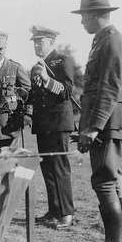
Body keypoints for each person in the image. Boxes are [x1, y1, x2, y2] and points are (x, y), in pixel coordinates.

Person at [71, 0, 122, 242]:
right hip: (107, 121)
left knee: (105, 180)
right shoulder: (103, 39)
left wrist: (94, 127)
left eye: (84, 15)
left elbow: (109, 87)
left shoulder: (111, 41)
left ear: (96, 14)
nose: (81, 20)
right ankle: (119, 241)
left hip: (108, 123)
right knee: (113, 179)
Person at [27, 25, 75, 230]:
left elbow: (67, 91)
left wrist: (47, 79)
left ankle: (66, 213)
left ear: (51, 42)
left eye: (41, 41)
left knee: (60, 167)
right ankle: (54, 210)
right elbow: (36, 95)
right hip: (43, 124)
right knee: (47, 168)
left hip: (58, 123)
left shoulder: (62, 60)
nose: (37, 45)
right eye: (35, 41)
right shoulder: (36, 65)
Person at [0, 32, 32, 149]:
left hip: (9, 123)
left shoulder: (14, 67)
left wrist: (28, 113)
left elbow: (29, 92)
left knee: (12, 159)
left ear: (5, 48)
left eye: (1, 49)